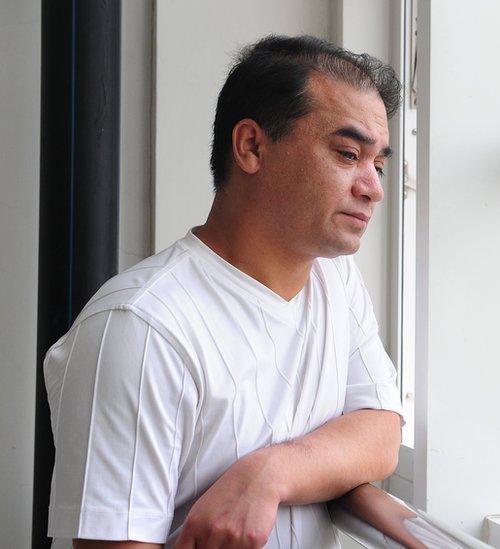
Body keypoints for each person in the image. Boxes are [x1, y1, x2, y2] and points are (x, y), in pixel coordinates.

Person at [43, 35, 404, 548]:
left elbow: (381, 432)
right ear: (252, 146)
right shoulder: (140, 327)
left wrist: (270, 473)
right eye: (348, 154)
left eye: (379, 164)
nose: (374, 187)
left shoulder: (334, 280)